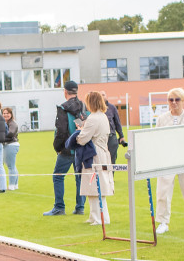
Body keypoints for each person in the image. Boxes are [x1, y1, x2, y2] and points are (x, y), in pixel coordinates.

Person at [154, 88, 184, 233]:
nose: (174, 103)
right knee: (163, 191)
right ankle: (163, 222)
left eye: (177, 99)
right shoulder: (162, 119)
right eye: (171, 100)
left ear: (183, 100)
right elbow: (157, 137)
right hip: (167, 159)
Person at [43, 80, 86, 216]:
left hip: (68, 148)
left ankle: (59, 207)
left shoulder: (63, 108)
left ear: (65, 92)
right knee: (79, 177)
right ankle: (80, 207)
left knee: (58, 176)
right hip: (81, 147)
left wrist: (58, 147)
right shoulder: (83, 106)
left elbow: (61, 130)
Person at [77, 92, 113, 225]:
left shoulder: (93, 118)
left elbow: (83, 139)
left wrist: (79, 132)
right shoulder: (102, 116)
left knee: (96, 185)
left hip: (94, 153)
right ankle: (94, 216)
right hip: (102, 151)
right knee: (93, 185)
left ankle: (100, 218)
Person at [98, 91, 126, 165]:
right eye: (100, 95)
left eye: (103, 95)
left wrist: (121, 136)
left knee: (111, 161)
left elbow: (117, 123)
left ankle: (111, 176)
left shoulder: (112, 108)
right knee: (101, 161)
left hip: (111, 137)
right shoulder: (96, 108)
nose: (102, 96)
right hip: (100, 138)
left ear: (106, 96)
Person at [2, 107, 20, 191]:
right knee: (13, 166)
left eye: (7, 113)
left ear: (11, 114)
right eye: (4, 113)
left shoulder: (12, 123)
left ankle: (12, 186)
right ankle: (15, 185)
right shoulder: (6, 123)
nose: (5, 115)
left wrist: (0, 137)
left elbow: (10, 133)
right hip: (11, 145)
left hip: (11, 145)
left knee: (10, 167)